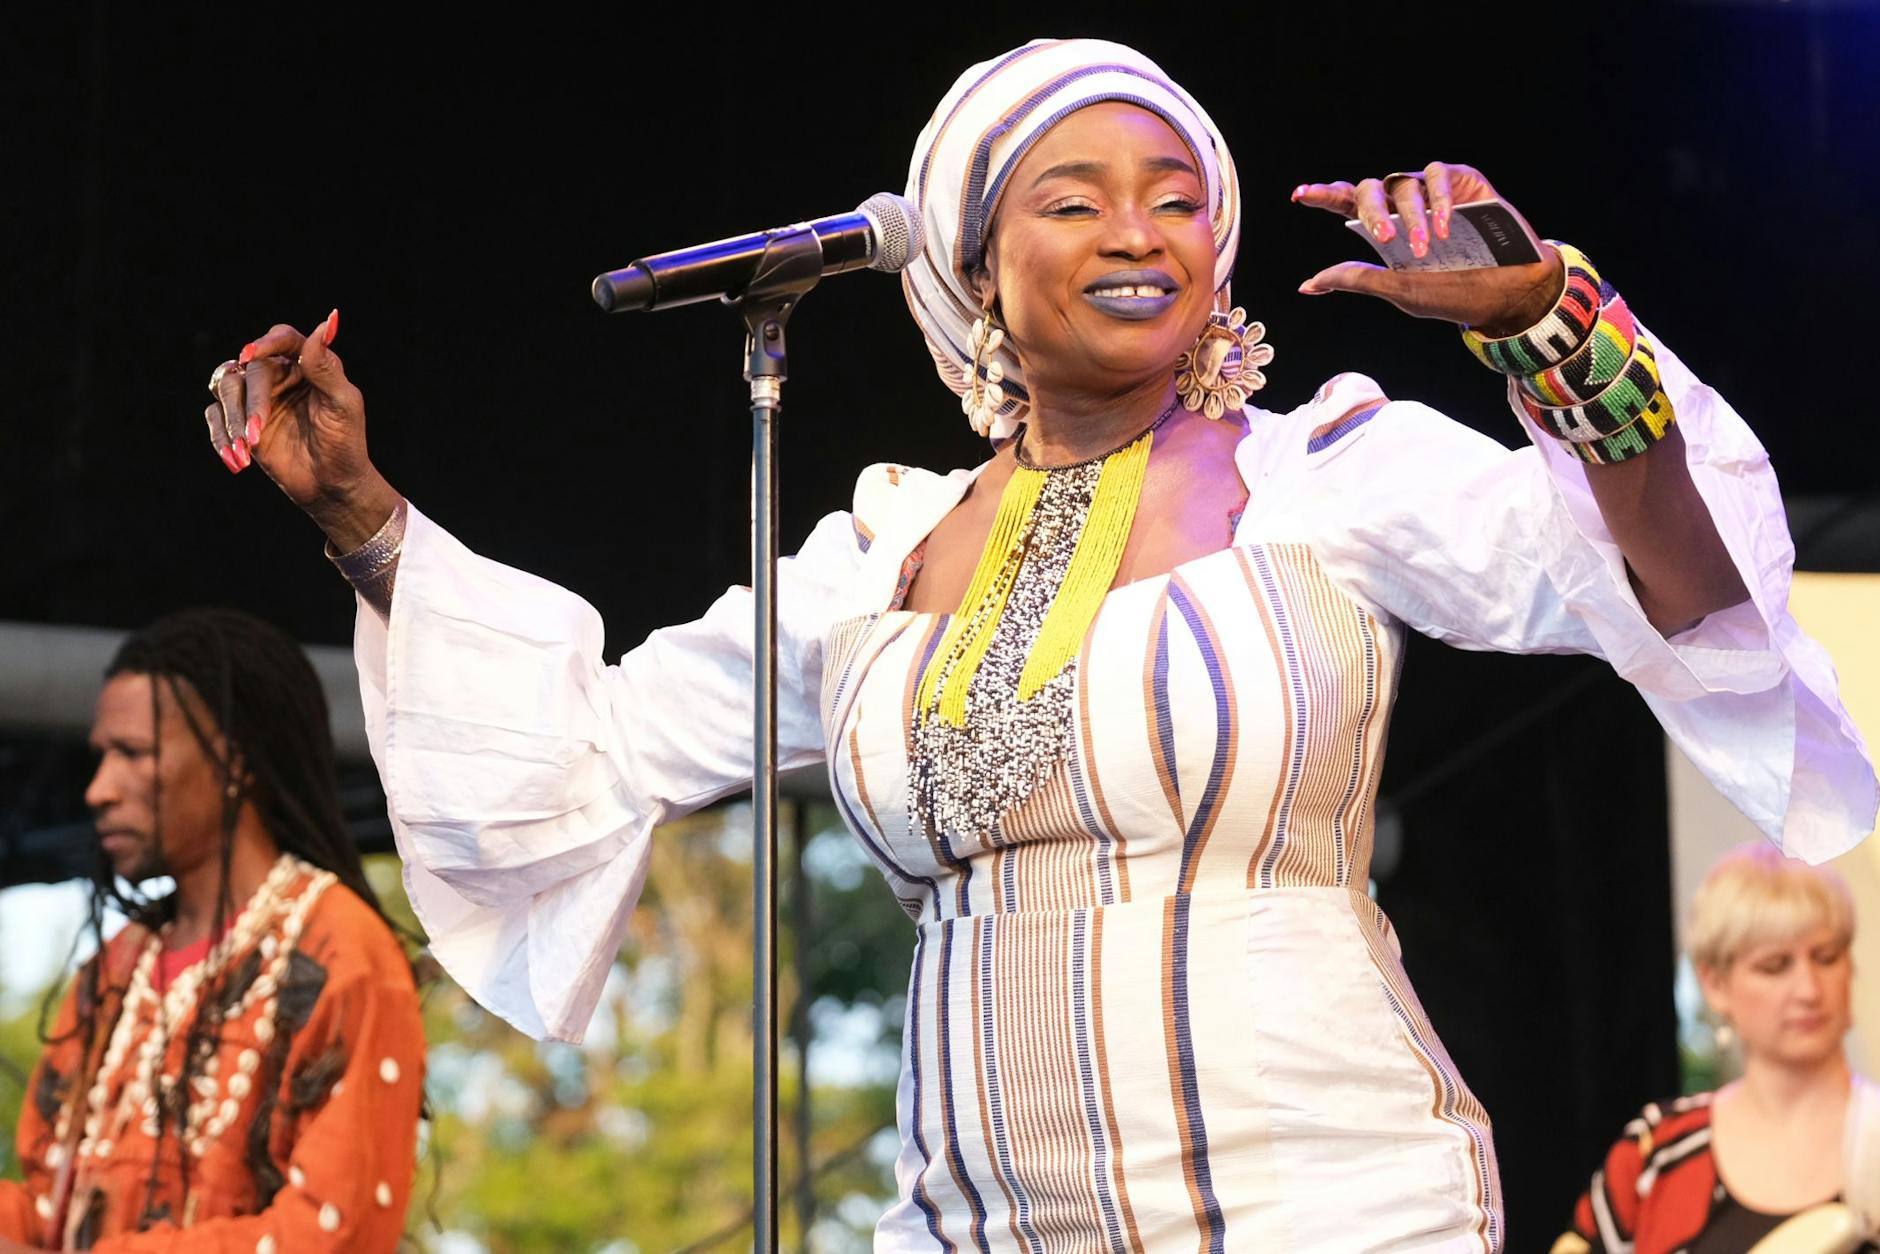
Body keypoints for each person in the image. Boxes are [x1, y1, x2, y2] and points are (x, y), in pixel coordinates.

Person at [201, 37, 1876, 1250]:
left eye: (1175, 200)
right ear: (977, 271)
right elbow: (590, 749)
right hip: (973, 1213)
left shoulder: (1325, 473)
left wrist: (1558, 332)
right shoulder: (878, 555)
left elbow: (1680, 587)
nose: (1139, 232)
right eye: (1075, 202)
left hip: (1322, 1197)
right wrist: (362, 514)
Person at [0, 610, 426, 1252]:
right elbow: (46, 1208)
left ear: (233, 760)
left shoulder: (342, 951)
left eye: (133, 753)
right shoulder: (116, 969)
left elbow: (334, 1232)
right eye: (101, 756)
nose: (98, 790)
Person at [1555, 844, 1880, 1253]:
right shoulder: (1655, 1150)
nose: (1809, 990)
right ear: (1715, 984)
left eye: (1827, 958)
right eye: (1775, 966)